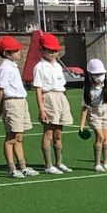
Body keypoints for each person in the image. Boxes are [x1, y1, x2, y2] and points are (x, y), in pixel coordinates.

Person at [0, 36, 35, 179]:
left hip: (20, 101)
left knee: (18, 137)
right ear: (6, 53)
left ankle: (22, 166)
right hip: (12, 102)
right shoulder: (4, 67)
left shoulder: (12, 66)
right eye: (15, 50)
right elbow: (0, 89)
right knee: (11, 137)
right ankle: (11, 168)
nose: (19, 52)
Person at [32, 33, 72, 174]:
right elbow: (38, 89)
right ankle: (48, 165)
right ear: (42, 50)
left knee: (58, 134)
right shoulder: (39, 67)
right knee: (48, 133)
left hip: (60, 97)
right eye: (50, 50)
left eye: (55, 51)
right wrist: (42, 110)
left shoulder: (57, 66)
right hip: (48, 98)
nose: (54, 53)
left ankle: (59, 163)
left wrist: (64, 101)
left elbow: (62, 85)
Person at [79, 59, 107, 173]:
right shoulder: (87, 89)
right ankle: (97, 163)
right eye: (96, 74)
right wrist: (82, 125)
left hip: (105, 111)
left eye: (101, 74)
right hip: (94, 113)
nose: (99, 77)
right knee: (100, 137)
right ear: (90, 75)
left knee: (106, 138)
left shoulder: (106, 83)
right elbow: (84, 108)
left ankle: (106, 162)